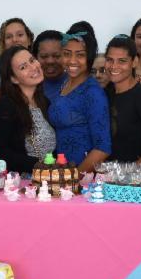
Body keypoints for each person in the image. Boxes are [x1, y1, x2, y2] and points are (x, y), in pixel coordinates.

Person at [45, 29, 110, 173]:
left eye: (80, 55)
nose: (72, 61)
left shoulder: (92, 92)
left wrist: (75, 177)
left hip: (83, 176)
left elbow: (102, 148)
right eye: (67, 54)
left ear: (89, 58)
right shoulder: (65, 84)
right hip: (62, 171)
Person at [0, 46, 56, 174]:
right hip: (19, 184)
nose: (33, 67)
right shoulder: (6, 106)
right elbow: (0, 152)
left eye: (32, 60)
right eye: (23, 67)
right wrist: (38, 166)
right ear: (13, 78)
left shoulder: (44, 102)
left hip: (46, 179)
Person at [103, 36, 141, 163]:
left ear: (134, 62)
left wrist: (132, 173)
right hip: (103, 176)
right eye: (109, 60)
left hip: (133, 179)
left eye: (122, 61)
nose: (114, 66)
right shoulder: (105, 94)